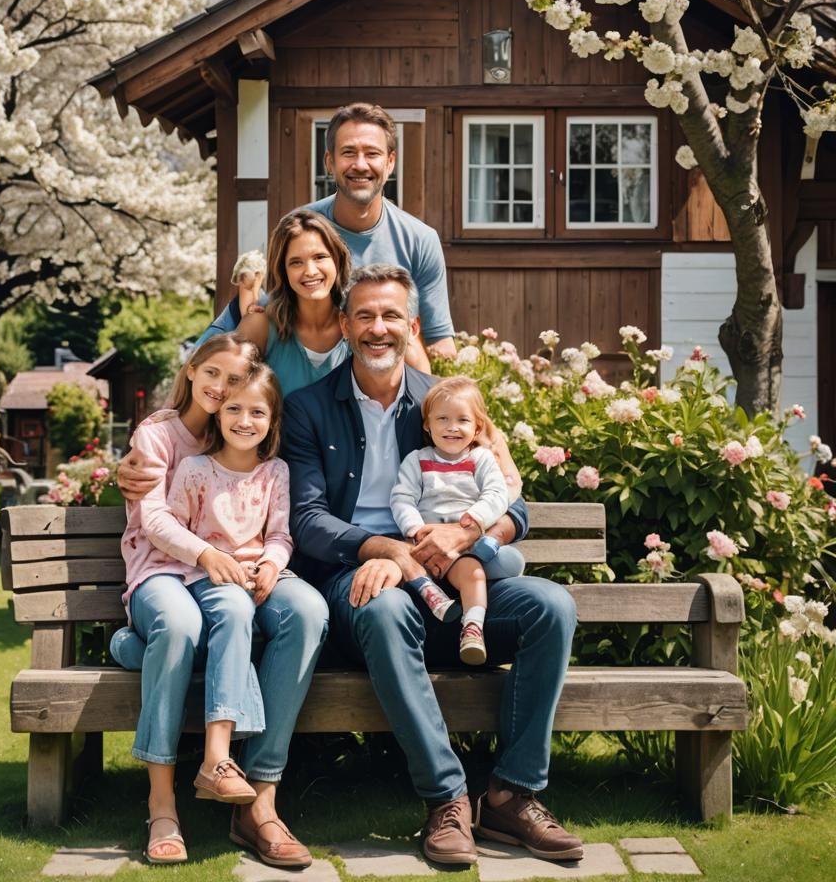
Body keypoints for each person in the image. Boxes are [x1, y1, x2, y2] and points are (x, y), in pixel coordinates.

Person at [281, 264, 583, 865]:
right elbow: (307, 520)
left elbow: (513, 506)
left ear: (412, 326)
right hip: (359, 575)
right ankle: (447, 799)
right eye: (365, 315)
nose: (378, 328)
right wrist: (388, 550)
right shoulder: (308, 408)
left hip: (453, 573)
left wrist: (465, 532)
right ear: (344, 325)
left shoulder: (446, 401)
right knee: (386, 609)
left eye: (391, 315)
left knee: (551, 606)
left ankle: (511, 796)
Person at [111, 334, 328, 867]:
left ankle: (259, 797)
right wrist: (208, 555)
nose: (221, 389)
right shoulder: (159, 435)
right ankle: (163, 805)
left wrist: (270, 563)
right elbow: (155, 519)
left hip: (236, 571)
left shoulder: (240, 436)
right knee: (181, 627)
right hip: (165, 569)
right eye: (213, 375)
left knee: (306, 611)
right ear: (191, 370)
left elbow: (276, 528)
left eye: (233, 382)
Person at [195, 103, 455, 364]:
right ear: (330, 162)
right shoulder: (300, 227)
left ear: (390, 162)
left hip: (386, 378)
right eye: (349, 153)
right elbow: (265, 311)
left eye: (372, 153)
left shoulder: (421, 240)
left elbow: (439, 341)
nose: (360, 164)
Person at [390, 376, 526, 665]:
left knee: (481, 569)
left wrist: (474, 520)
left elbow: (497, 493)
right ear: (427, 425)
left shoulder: (481, 459)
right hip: (427, 540)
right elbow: (402, 498)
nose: (452, 427)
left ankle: (472, 628)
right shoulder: (417, 460)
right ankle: (431, 592)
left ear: (477, 427)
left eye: (463, 420)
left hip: (466, 541)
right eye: (442, 419)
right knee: (408, 558)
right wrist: (415, 529)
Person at [237, 209, 352, 396]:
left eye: (320, 257)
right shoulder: (259, 326)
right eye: (296, 262)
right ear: (283, 271)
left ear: (337, 260)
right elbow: (227, 392)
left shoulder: (360, 322)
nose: (310, 271)